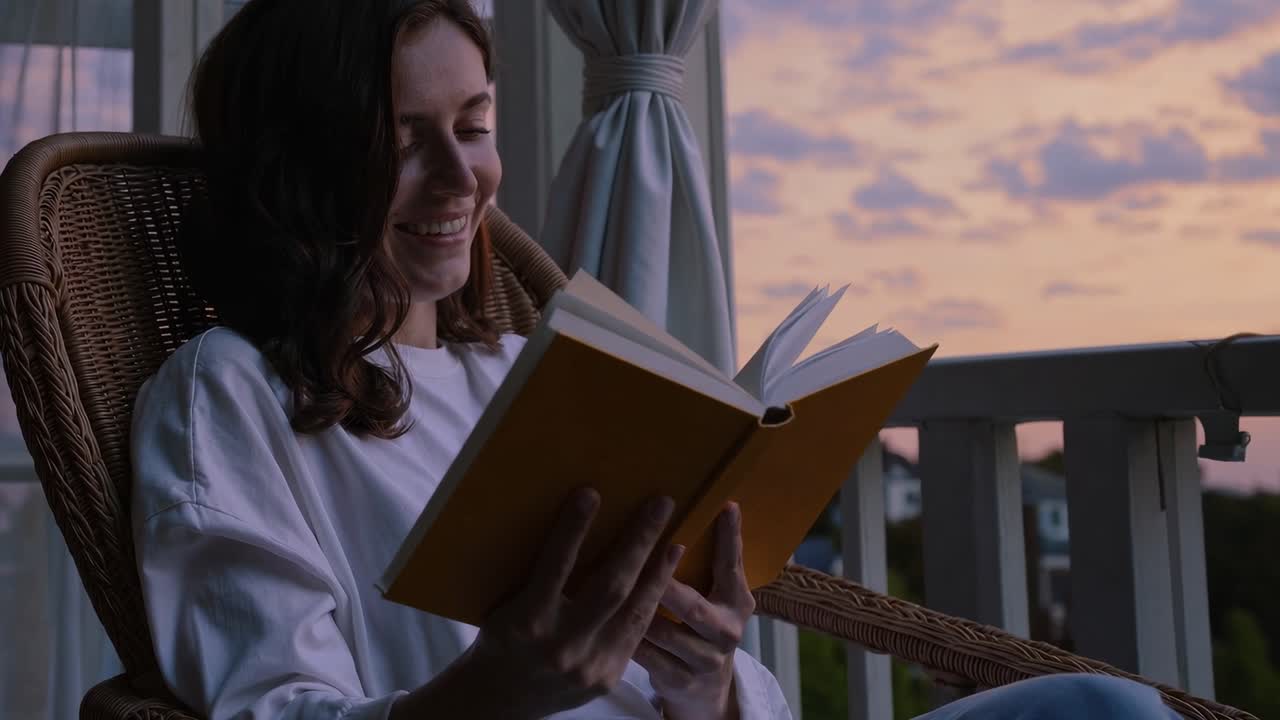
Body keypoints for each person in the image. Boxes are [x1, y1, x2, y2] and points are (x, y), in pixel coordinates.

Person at [128, 1, 1184, 719]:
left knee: (1103, 707)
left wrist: (710, 675)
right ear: (303, 164)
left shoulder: (516, 375)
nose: (461, 177)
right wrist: (488, 694)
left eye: (474, 123)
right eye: (403, 140)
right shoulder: (229, 395)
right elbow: (269, 701)